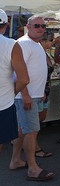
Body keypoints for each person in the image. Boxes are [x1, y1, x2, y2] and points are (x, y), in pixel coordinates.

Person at [9, 16, 55, 181]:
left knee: (23, 130)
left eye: (43, 26)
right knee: (31, 131)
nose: (41, 28)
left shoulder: (35, 44)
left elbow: (37, 69)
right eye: (37, 25)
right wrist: (26, 94)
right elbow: (17, 73)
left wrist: (40, 91)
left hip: (33, 95)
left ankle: (15, 160)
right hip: (25, 96)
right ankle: (33, 168)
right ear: (28, 26)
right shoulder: (23, 43)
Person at [0, 9, 29, 154]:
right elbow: (24, 79)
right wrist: (10, 93)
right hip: (3, 104)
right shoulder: (11, 45)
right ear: (5, 26)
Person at [34, 31, 55, 158]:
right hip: (40, 91)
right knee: (36, 120)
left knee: (40, 118)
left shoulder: (44, 53)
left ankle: (24, 143)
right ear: (44, 41)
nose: (53, 42)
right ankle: (34, 147)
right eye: (51, 40)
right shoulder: (39, 53)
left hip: (44, 90)